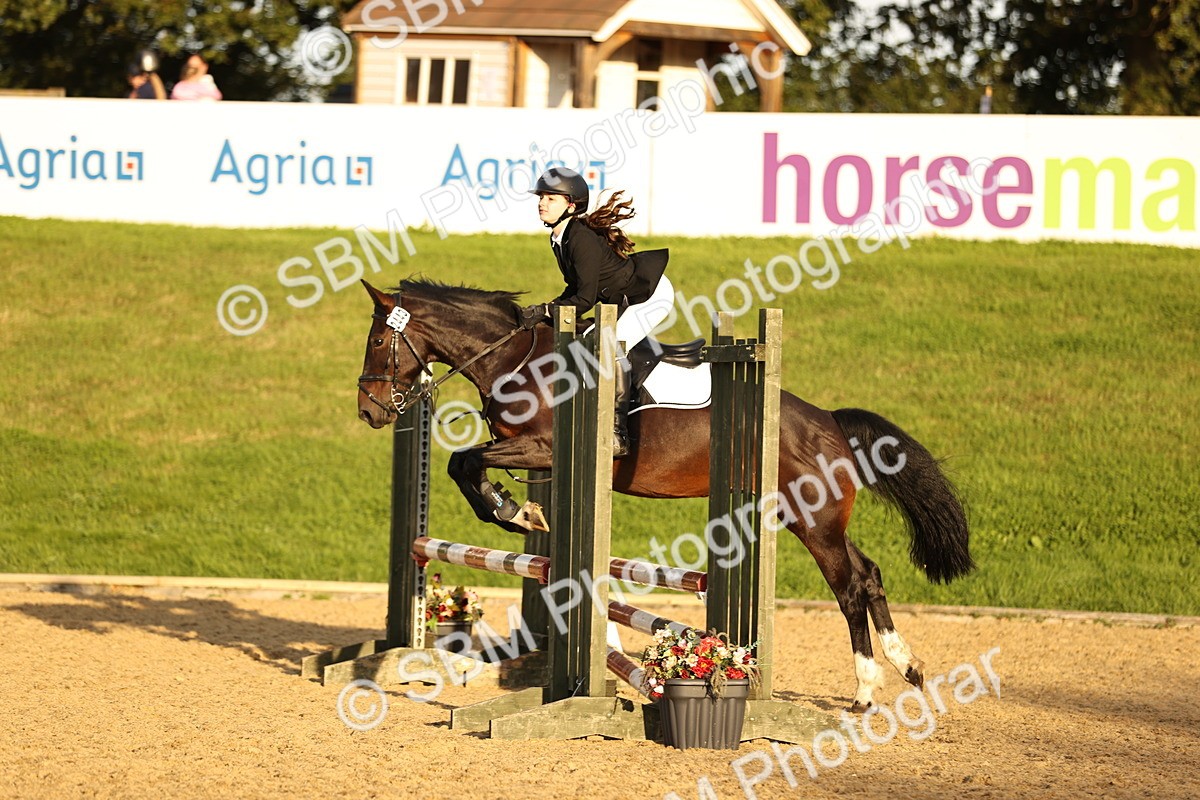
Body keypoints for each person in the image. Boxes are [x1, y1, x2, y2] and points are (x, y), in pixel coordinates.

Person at [520, 167, 672, 458]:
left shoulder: (580, 239)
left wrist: (546, 311)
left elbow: (585, 300)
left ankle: (618, 433)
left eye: (551, 198)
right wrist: (543, 310)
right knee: (589, 337)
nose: (542, 203)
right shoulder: (559, 238)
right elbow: (573, 288)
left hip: (650, 296)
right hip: (622, 301)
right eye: (541, 197)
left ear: (571, 205)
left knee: (609, 344)